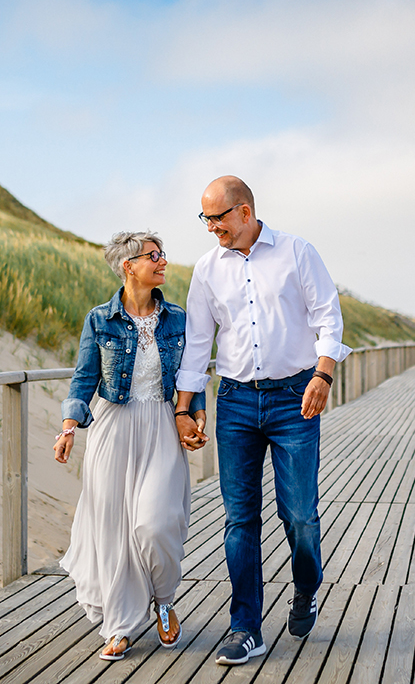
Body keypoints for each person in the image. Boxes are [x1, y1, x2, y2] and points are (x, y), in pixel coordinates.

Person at [174, 176, 351, 666]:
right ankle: (245, 626)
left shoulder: (297, 252)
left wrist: (323, 374)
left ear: (246, 212)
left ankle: (305, 586)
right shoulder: (208, 270)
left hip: (296, 398)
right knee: (239, 518)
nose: (211, 229)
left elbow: (327, 317)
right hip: (234, 403)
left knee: (299, 514)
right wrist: (183, 406)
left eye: (218, 218)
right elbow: (195, 342)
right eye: (205, 219)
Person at [53, 231, 199, 661]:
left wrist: (196, 413)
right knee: (115, 533)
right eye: (153, 256)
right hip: (113, 429)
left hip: (161, 425)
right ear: (128, 266)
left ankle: (164, 599)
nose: (163, 262)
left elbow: (192, 374)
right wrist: (67, 427)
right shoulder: (100, 319)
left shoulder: (178, 318)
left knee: (155, 524)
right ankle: (120, 624)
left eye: (163, 254)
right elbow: (83, 378)